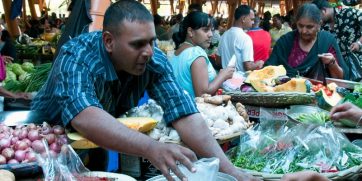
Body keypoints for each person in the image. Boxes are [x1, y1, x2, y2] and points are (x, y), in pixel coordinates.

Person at [30, 1, 257, 180]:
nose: (148, 51)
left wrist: (232, 172)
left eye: (151, 41)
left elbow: (183, 113)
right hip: (42, 143)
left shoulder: (153, 60)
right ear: (109, 41)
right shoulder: (78, 54)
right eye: (138, 44)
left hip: (99, 138)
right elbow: (85, 116)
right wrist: (152, 148)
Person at [265, 3, 349, 80]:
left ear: (319, 24)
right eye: (300, 26)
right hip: (286, 92)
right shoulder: (285, 41)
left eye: (309, 27)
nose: (304, 31)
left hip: (319, 93)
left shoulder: (327, 40)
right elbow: (268, 70)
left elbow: (340, 78)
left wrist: (332, 63)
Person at [170, 11, 234, 98]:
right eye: (205, 30)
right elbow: (202, 95)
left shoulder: (178, 51)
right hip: (196, 109)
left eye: (211, 30)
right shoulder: (196, 53)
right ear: (190, 32)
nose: (211, 34)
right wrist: (222, 76)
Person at [312, 0, 362, 66]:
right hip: (342, 68)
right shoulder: (322, 28)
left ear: (324, 11)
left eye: (317, 17)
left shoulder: (350, 12)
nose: (318, 20)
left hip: (359, 62)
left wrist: (359, 43)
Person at [217, 5, 263, 72]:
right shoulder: (245, 38)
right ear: (243, 19)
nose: (253, 22)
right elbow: (248, 67)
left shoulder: (224, 35)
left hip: (224, 79)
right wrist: (258, 64)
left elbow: (218, 61)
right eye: (251, 19)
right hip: (239, 80)